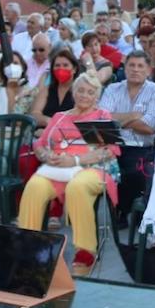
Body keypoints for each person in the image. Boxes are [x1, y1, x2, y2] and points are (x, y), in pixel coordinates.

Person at [17, 75, 121, 277]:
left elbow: (109, 150)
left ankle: (85, 251)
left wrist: (75, 161)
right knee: (35, 186)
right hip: (57, 169)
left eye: (90, 92)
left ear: (96, 97)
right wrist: (46, 155)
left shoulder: (101, 116)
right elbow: (40, 144)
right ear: (74, 92)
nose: (84, 95)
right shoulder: (60, 117)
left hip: (93, 168)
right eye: (81, 90)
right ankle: (28, 247)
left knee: (77, 186)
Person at [99, 50, 155, 215]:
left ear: (148, 70)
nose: (135, 69)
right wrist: (133, 117)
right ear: (125, 67)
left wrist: (117, 121)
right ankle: (118, 211)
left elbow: (150, 127)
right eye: (131, 65)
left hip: (142, 148)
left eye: (140, 66)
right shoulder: (112, 89)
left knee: (135, 173)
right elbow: (102, 119)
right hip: (111, 145)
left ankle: (126, 212)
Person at [29, 46, 79, 127]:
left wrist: (54, 125)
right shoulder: (47, 89)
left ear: (74, 69)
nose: (61, 68)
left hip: (68, 135)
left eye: (65, 65)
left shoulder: (79, 91)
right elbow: (34, 114)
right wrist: (48, 121)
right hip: (43, 133)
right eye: (57, 65)